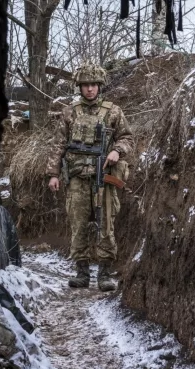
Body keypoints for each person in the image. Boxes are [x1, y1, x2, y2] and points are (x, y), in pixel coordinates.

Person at [45, 63, 133, 291]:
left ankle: (104, 274)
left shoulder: (113, 111)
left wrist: (117, 150)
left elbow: (127, 138)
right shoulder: (69, 112)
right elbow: (58, 144)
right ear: (79, 87)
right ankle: (82, 272)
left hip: (103, 178)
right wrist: (53, 174)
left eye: (93, 85)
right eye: (85, 85)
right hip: (76, 178)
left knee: (106, 224)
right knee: (78, 225)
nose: (90, 89)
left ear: (100, 86)